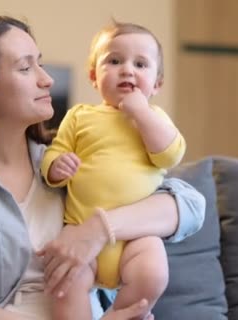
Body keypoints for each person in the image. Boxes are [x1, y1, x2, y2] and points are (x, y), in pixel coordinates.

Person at [0, 15, 205, 320]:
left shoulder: (65, 162)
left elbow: (190, 204)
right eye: (25, 68)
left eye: (41, 63)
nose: (47, 79)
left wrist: (96, 230)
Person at [40, 21, 184, 320]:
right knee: (65, 285)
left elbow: (170, 155)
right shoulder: (80, 115)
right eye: (114, 61)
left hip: (136, 238)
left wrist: (141, 112)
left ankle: (117, 315)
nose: (128, 70)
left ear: (157, 84)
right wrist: (56, 167)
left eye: (140, 64)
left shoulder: (155, 119)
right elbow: (54, 151)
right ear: (94, 76)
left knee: (154, 274)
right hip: (80, 232)